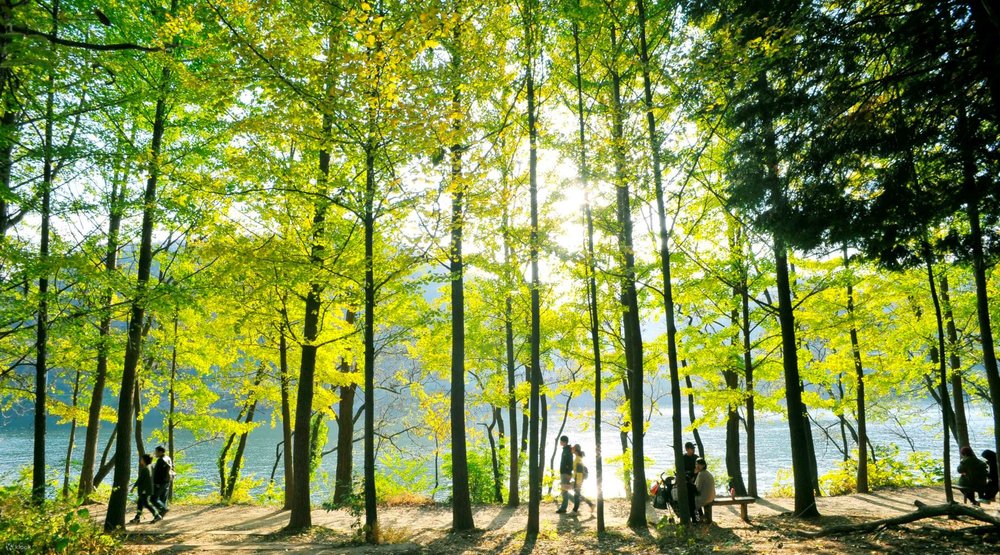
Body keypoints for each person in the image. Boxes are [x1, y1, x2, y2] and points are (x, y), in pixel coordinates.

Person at [130, 454, 162, 524]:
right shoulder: (150, 466)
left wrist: (133, 487)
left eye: (141, 459)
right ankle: (137, 518)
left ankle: (157, 515)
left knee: (146, 503)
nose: (140, 460)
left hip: (144, 489)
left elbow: (140, 480)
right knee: (140, 503)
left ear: (144, 460)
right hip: (148, 488)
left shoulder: (145, 469)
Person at [686, 457, 715, 523]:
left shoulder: (701, 474)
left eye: (699, 464)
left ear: (704, 465)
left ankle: (694, 520)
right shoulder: (707, 472)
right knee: (694, 497)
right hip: (712, 496)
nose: (697, 466)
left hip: (705, 498)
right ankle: (701, 516)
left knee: (690, 500)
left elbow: (698, 489)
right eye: (696, 464)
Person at [571, 444, 594, 513]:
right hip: (577, 478)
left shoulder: (578, 459)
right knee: (577, 494)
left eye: (573, 448)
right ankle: (591, 504)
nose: (572, 450)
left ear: (575, 450)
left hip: (578, 478)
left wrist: (578, 482)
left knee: (576, 494)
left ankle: (575, 511)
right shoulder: (578, 458)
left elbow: (579, 472)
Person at [152, 446, 174, 515]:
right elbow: (172, 467)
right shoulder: (168, 458)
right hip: (167, 480)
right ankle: (161, 514)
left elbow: (158, 473)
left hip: (160, 482)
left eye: (156, 452)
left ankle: (164, 509)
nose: (155, 453)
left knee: (153, 499)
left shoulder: (160, 460)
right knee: (163, 498)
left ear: (160, 452)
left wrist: (156, 483)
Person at [556, 435, 573, 513]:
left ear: (564, 442)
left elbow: (570, 463)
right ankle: (577, 502)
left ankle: (563, 508)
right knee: (565, 490)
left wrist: (568, 473)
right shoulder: (565, 450)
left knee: (564, 490)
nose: (560, 442)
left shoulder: (568, 451)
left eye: (561, 441)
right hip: (564, 473)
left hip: (565, 474)